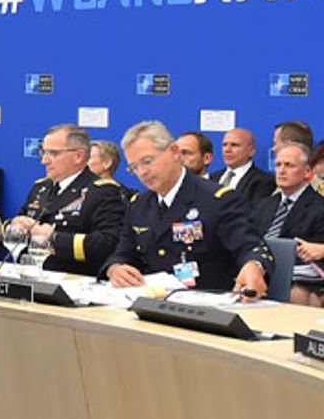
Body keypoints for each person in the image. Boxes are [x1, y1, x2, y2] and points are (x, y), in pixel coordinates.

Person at [103, 120, 270, 297]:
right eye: (134, 167)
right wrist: (115, 269)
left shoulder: (218, 199)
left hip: (206, 303)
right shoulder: (139, 205)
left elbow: (249, 247)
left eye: (147, 161)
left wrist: (254, 265)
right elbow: (122, 253)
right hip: (154, 303)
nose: (142, 172)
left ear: (174, 152)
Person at [8, 124, 128, 275]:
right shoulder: (41, 187)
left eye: (53, 153)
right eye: (43, 152)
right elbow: (17, 223)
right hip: (29, 274)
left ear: (78, 156)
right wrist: (16, 226)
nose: (44, 161)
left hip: (73, 279)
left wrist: (53, 238)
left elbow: (107, 243)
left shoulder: (102, 191)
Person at [253, 141, 324, 306]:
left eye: (289, 165)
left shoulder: (319, 208)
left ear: (307, 171)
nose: (282, 171)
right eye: (278, 165)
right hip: (260, 267)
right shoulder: (265, 204)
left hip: (298, 276)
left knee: (298, 295)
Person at [210, 127, 273, 200]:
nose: (227, 150)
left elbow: (254, 210)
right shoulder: (212, 178)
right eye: (224, 145)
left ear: (251, 151)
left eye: (234, 145)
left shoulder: (263, 181)